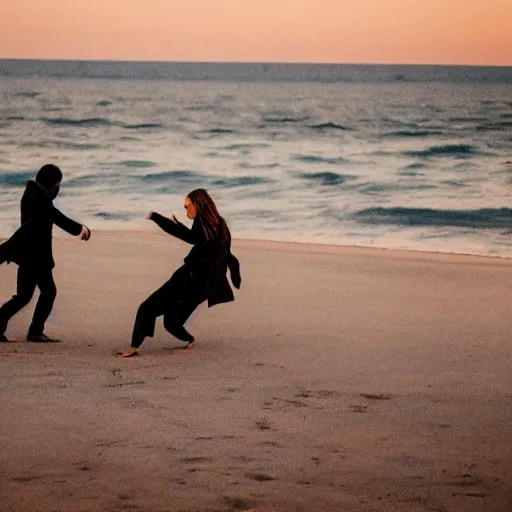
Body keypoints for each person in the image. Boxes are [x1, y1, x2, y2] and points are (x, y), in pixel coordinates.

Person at [117, 188, 241, 357]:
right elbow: (228, 255)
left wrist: (157, 218)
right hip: (201, 289)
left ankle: (133, 347)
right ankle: (190, 339)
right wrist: (235, 275)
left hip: (187, 280)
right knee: (171, 322)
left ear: (199, 205)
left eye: (188, 206)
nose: (186, 210)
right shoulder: (220, 225)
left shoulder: (203, 226)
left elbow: (190, 237)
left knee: (147, 307)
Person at [0, 164, 91, 342]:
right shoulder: (40, 201)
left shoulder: (32, 195)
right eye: (57, 184)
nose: (58, 188)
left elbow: (50, 214)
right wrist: (81, 230)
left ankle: (25, 329)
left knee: (23, 297)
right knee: (47, 292)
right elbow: (56, 216)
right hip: (36, 257)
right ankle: (35, 332)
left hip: (29, 255)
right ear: (51, 184)